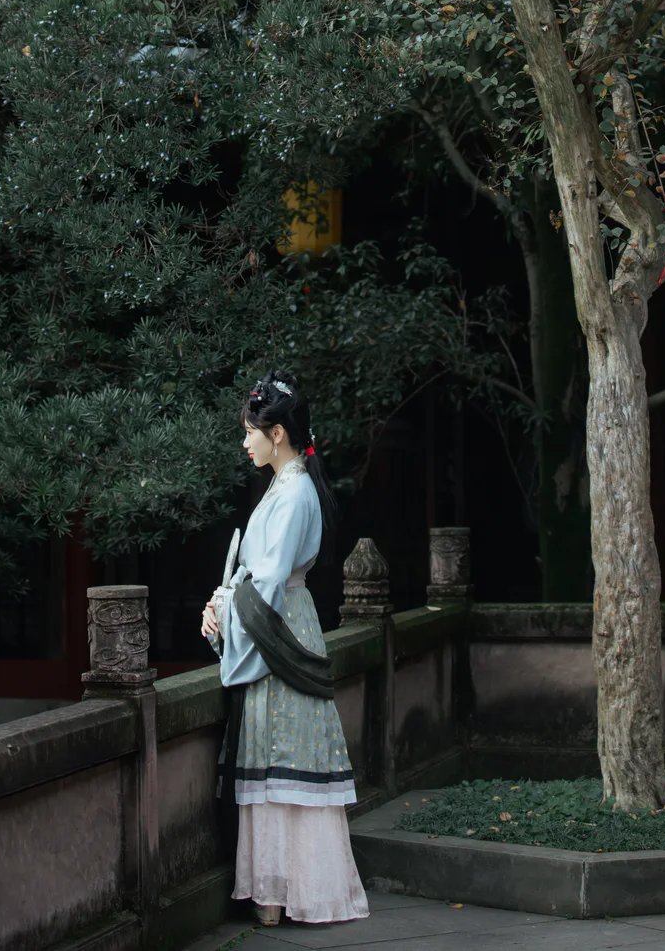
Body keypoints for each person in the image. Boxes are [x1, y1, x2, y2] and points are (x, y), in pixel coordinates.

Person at [201, 371, 370, 927]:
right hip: (280, 622)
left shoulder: (294, 492)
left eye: (250, 431)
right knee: (275, 760)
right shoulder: (286, 485)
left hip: (280, 631)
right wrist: (223, 600)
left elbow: (270, 580)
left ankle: (295, 893)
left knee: (286, 761)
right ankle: (273, 893)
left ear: (277, 434)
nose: (244, 442)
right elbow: (259, 573)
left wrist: (227, 609)